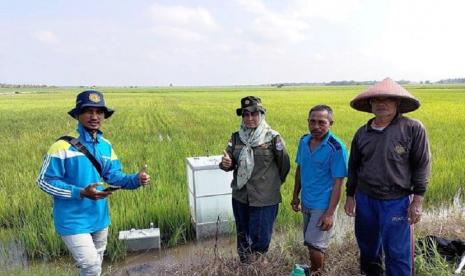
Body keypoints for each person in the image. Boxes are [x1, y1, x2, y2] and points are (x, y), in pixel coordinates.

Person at [36, 90, 151, 276]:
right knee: (91, 266)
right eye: (88, 111)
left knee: (94, 266)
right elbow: (44, 181)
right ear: (78, 115)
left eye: (99, 112)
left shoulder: (105, 145)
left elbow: (113, 176)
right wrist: (80, 192)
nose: (94, 116)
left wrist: (135, 179)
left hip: (99, 218)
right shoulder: (62, 147)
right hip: (72, 220)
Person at [344, 78, 431, 276]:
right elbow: (354, 167)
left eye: (388, 100)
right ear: (370, 104)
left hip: (397, 200)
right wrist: (350, 196)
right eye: (376, 100)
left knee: (397, 251)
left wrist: (417, 201)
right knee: (368, 247)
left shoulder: (412, 128)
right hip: (365, 199)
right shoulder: (362, 133)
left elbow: (422, 165)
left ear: (397, 103)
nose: (381, 104)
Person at [219, 96, 290, 263]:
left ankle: (257, 267)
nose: (250, 119)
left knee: (260, 239)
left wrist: (269, 185)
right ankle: (245, 266)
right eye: (245, 115)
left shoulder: (272, 138)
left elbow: (284, 165)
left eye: (254, 114)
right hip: (240, 196)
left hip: (264, 198)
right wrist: (227, 163)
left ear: (261, 114)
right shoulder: (236, 137)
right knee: (242, 235)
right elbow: (227, 161)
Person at [291, 105, 348, 274]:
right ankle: (316, 269)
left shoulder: (337, 148)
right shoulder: (304, 141)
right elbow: (300, 169)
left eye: (322, 122)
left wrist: (330, 213)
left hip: (323, 204)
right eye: (312, 122)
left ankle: (318, 272)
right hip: (307, 201)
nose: (316, 126)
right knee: (311, 243)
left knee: (315, 244)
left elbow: (339, 183)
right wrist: (295, 196)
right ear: (308, 122)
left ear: (331, 123)